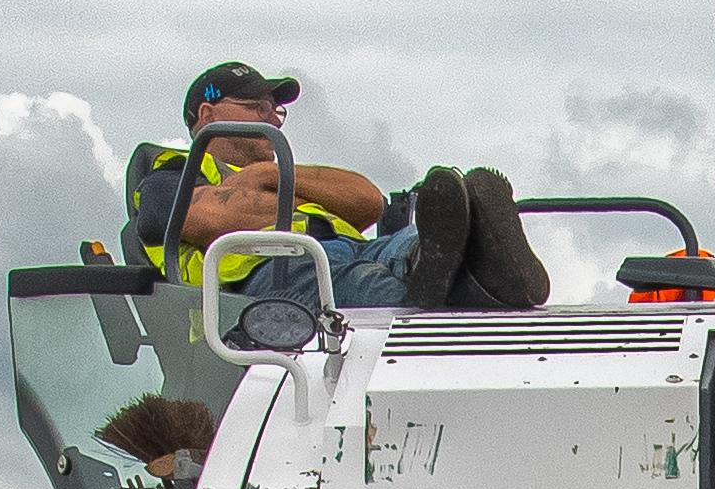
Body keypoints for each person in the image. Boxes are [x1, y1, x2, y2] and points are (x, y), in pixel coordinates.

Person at [120, 63, 549, 312]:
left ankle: (473, 254)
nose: (272, 118)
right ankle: (488, 281)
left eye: (276, 111)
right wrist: (279, 197)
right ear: (208, 114)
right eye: (257, 107)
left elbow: (368, 201)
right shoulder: (168, 172)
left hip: (351, 249)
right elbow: (208, 218)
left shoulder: (281, 171)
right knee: (384, 292)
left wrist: (264, 177)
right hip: (276, 274)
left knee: (411, 241)